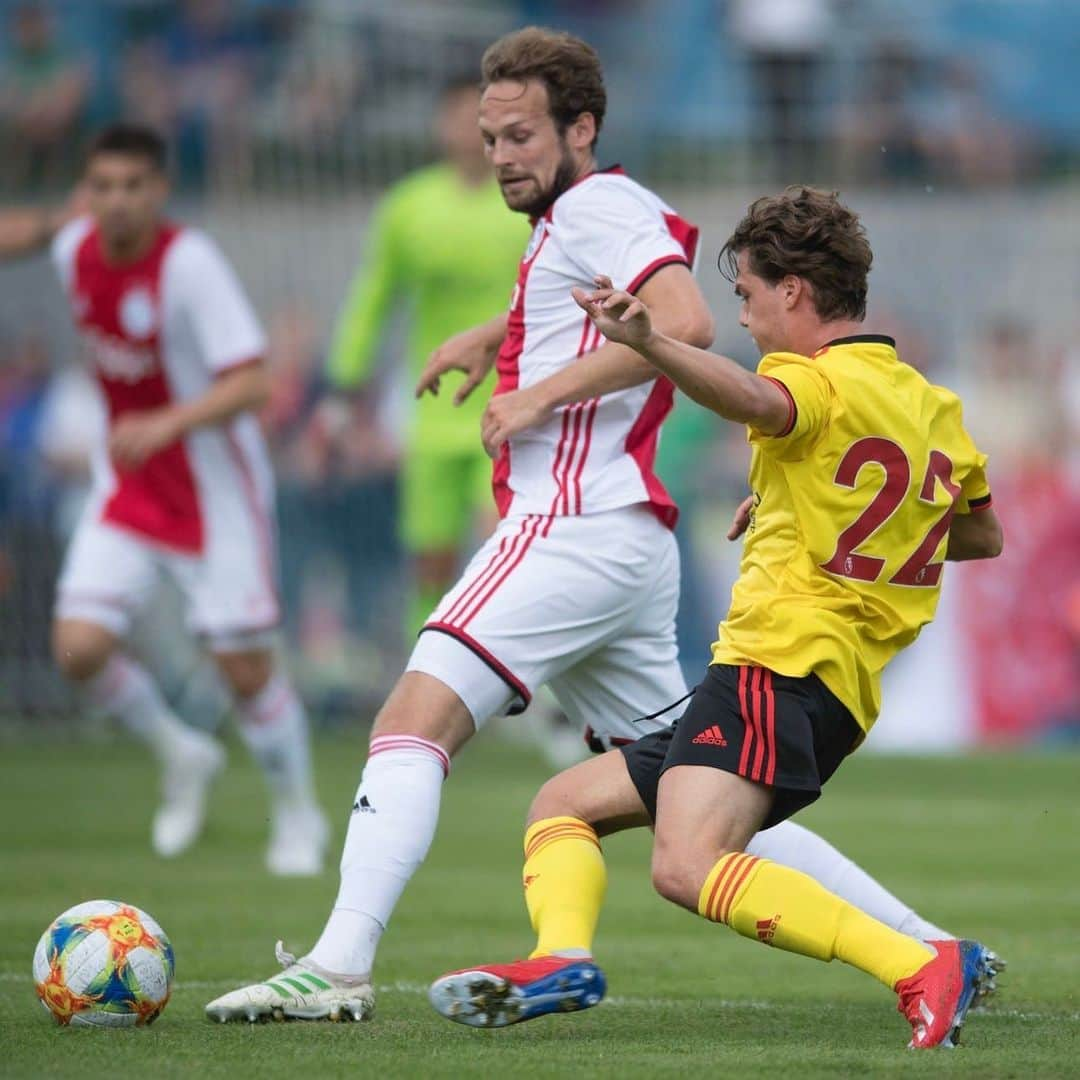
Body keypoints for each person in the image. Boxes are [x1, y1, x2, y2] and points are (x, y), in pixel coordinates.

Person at [206, 31, 994, 1025]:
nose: (500, 155)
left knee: (411, 720)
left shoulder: (599, 204)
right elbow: (602, 306)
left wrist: (540, 397)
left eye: (522, 134)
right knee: (700, 790)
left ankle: (338, 963)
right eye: (491, 137)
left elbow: (680, 324)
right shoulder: (584, 215)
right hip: (625, 541)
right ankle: (930, 948)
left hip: (572, 519)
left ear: (581, 128)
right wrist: (491, 338)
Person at [429, 187, 1004, 1049]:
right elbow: (980, 533)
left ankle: (919, 963)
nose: (744, 317)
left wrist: (651, 341)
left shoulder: (807, 378)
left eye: (747, 296)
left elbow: (760, 402)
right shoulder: (931, 405)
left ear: (795, 294)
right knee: (564, 803)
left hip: (780, 664)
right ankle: (561, 958)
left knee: (686, 865)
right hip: (822, 683)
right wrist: (798, 505)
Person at [0, 124, 327, 874]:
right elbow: (28, 230)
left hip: (215, 494)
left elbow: (251, 381)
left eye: (133, 187)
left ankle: (297, 816)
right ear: (89, 191)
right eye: (103, 187)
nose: (117, 202)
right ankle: (181, 752)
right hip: (130, 486)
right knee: (78, 649)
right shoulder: (73, 246)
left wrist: (167, 422)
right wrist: (52, 217)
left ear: (159, 191)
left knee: (245, 671)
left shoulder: (189, 265)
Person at [324, 75, 529, 643]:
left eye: (481, 119)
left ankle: (524, 688)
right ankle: (429, 671)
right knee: (431, 561)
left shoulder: (525, 203)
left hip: (510, 411)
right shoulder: (409, 206)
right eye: (457, 116)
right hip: (432, 413)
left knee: (504, 548)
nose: (468, 130)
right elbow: (373, 299)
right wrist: (344, 389)